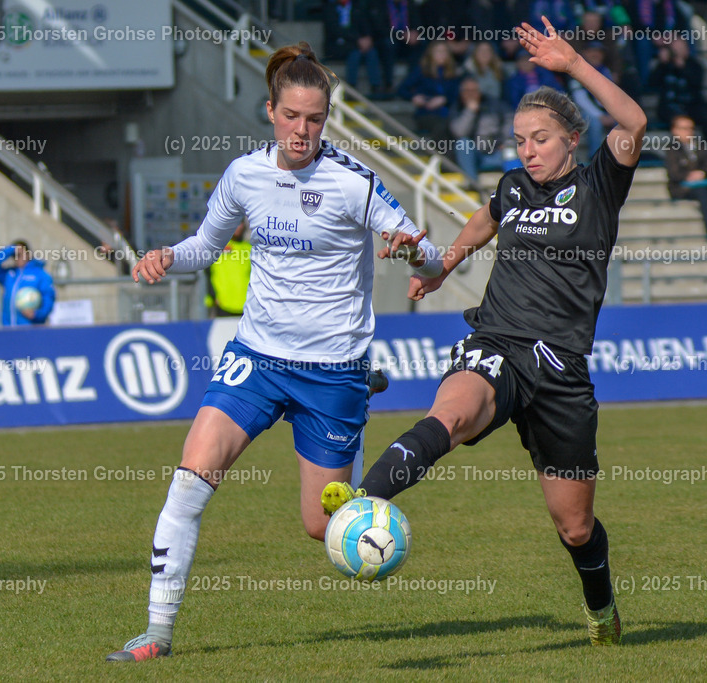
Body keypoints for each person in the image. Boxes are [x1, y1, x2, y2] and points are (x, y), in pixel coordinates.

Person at [107, 42, 441, 663]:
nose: (303, 131)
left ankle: (358, 407)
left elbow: (428, 249)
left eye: (315, 119)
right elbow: (205, 246)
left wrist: (410, 248)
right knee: (191, 478)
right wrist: (165, 257)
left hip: (331, 369)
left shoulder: (353, 182)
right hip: (256, 357)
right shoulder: (244, 176)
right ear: (271, 111)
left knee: (323, 528)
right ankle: (157, 633)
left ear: (327, 119)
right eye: (292, 116)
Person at [321, 17, 647, 647]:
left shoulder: (601, 185)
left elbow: (633, 124)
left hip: (561, 371)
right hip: (497, 340)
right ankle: (360, 503)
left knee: (574, 528)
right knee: (453, 413)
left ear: (572, 140)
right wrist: (444, 263)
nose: (528, 150)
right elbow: (486, 217)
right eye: (521, 139)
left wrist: (574, 65)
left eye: (541, 139)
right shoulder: (514, 186)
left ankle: (602, 608)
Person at [449, 77, 514, 183]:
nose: (470, 94)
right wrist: (470, 111)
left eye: (474, 90)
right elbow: (459, 132)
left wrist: (506, 141)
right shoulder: (457, 108)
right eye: (466, 91)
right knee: (462, 143)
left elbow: (510, 119)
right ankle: (473, 185)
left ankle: (517, 189)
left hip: (497, 152)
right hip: (475, 156)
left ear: (479, 92)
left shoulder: (495, 104)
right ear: (461, 93)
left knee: (512, 150)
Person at [0, 240, 55, 326]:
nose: (17, 258)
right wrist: (10, 250)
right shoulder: (10, 274)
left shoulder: (40, 275)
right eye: (14, 256)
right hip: (8, 328)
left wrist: (37, 314)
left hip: (29, 329)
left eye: (19, 255)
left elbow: (48, 298)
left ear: (27, 254)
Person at [323, 0, 383, 95]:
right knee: (355, 53)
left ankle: (375, 86)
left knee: (372, 52)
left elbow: (365, 25)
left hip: (357, 44)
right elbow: (334, 30)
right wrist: (357, 40)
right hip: (338, 46)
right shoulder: (330, 8)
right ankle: (352, 87)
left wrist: (367, 38)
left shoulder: (358, 7)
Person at [664, 114, 707, 238]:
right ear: (674, 130)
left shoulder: (700, 146)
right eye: (684, 128)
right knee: (703, 194)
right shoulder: (672, 149)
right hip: (682, 188)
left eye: (690, 128)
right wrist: (690, 175)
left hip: (702, 183)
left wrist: (702, 173)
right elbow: (673, 173)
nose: (688, 132)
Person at [205, 219, 251, 316]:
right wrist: (213, 296)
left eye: (239, 223)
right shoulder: (217, 246)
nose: (237, 227)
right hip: (222, 304)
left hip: (246, 305)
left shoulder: (249, 248)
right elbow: (207, 274)